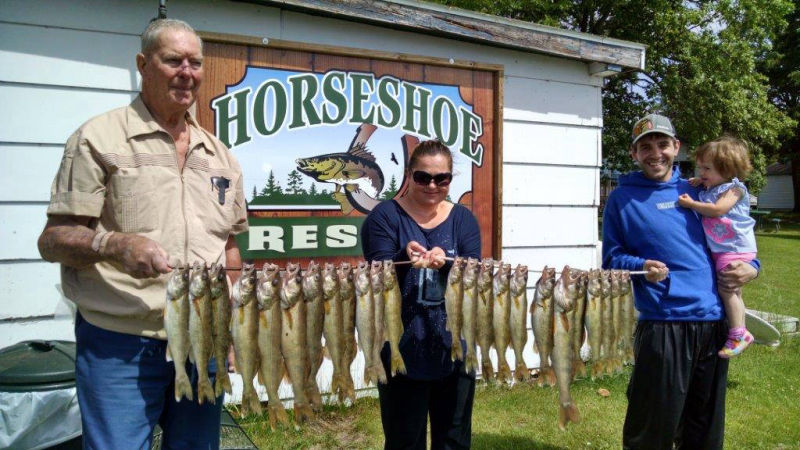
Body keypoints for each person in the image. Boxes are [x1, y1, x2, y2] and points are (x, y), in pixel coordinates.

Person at [36, 19, 247, 449]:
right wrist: (114, 244)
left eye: (195, 63)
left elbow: (228, 247)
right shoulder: (99, 139)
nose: (186, 73)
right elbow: (53, 239)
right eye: (173, 60)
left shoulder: (220, 155)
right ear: (143, 64)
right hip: (120, 344)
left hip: (203, 340)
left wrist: (230, 326)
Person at [602, 114, 760, 449]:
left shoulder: (700, 189)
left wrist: (753, 267)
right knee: (652, 429)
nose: (655, 153)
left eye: (662, 144)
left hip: (714, 321)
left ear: (676, 147)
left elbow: (735, 234)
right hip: (664, 323)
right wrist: (641, 265)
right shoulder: (622, 199)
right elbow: (612, 258)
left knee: (704, 431)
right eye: (645, 147)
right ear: (633, 153)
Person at [361, 139, 481, 450]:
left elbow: (474, 275)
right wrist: (403, 257)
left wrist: (449, 264)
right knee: (404, 442)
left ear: (450, 179)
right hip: (400, 349)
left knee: (453, 442)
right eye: (423, 177)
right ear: (409, 174)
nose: (432, 185)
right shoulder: (385, 217)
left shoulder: (463, 219)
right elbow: (378, 276)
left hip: (453, 349)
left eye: (442, 179)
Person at [678, 137, 757, 358]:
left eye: (707, 168)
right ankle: (739, 326)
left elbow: (717, 210)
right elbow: (710, 189)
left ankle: (738, 334)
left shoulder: (734, 189)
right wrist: (701, 180)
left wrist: (691, 204)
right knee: (734, 290)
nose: (701, 172)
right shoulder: (713, 186)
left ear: (727, 169)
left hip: (735, 247)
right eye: (700, 167)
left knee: (727, 288)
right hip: (726, 247)